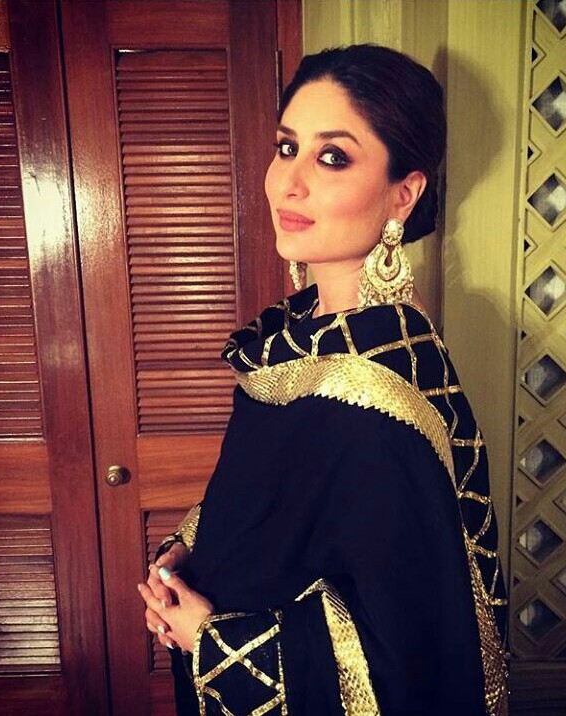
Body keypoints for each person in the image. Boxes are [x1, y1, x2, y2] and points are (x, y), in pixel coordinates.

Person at [137, 43, 510, 716]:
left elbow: (403, 650)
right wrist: (187, 549)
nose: (288, 182)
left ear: (404, 193)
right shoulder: (294, 332)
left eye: (332, 156)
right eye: (287, 148)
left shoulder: (383, 390)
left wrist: (211, 641)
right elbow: (270, 498)